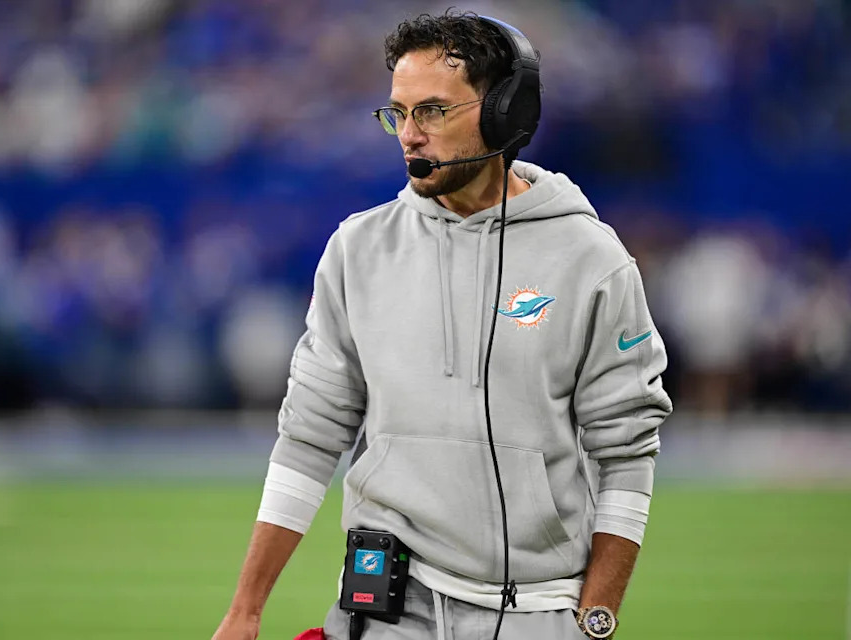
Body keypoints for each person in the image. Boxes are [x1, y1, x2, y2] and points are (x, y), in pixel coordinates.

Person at [212, 11, 672, 640]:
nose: (409, 134)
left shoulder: (592, 260)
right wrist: (246, 608)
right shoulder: (358, 249)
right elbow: (308, 437)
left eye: (431, 111)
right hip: (383, 608)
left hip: (538, 613)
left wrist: (596, 617)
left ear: (503, 113)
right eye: (397, 113)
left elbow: (625, 453)